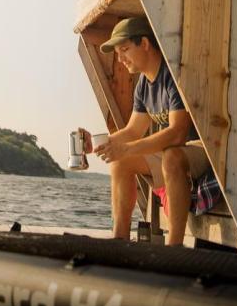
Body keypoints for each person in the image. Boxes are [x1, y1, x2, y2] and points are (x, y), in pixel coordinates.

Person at [79, 16, 220, 244]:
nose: (121, 58)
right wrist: (95, 146)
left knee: (172, 156)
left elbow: (177, 133)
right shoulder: (143, 85)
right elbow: (133, 131)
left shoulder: (173, 75)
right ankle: (120, 240)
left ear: (144, 43)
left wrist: (128, 148)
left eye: (124, 49)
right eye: (117, 53)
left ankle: (173, 248)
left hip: (202, 148)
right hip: (171, 150)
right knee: (121, 163)